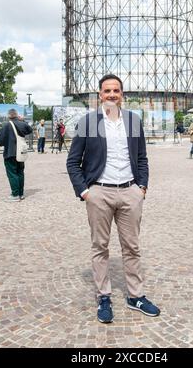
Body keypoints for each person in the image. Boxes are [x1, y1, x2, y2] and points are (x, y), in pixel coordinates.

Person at [67, 74, 160, 323]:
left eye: (116, 91)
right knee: (100, 247)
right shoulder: (88, 122)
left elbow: (142, 158)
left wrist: (142, 187)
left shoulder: (132, 120)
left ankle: (136, 296)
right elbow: (73, 162)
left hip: (130, 192)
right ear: (99, 94)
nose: (111, 95)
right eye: (107, 91)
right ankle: (104, 296)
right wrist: (86, 192)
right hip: (100, 193)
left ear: (122, 94)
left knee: (132, 247)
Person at [0, 109, 32, 201]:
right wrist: (23, 120)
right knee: (20, 172)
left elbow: (0, 142)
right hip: (21, 153)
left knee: (12, 174)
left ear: (8, 116)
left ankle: (15, 195)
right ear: (17, 115)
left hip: (10, 153)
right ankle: (21, 193)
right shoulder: (22, 124)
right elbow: (30, 130)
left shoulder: (5, 126)